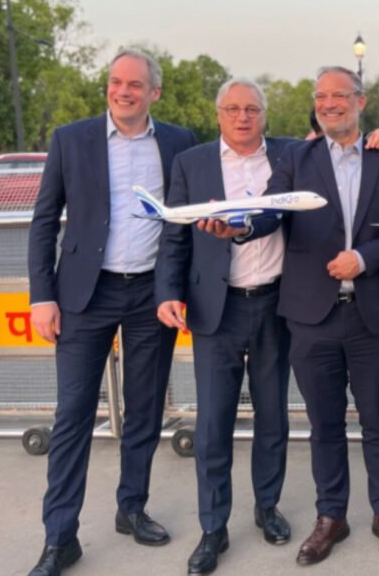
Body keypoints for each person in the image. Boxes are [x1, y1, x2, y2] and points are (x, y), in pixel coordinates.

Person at [26, 49, 196, 576]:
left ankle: (132, 508)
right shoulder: (70, 139)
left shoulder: (179, 142)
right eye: (116, 82)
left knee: (145, 410)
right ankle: (60, 538)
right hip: (84, 295)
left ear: (154, 93)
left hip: (151, 295)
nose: (123, 91)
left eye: (135, 84)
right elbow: (44, 220)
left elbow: (190, 214)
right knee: (73, 414)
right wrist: (42, 296)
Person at [242, 66, 379, 566]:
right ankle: (331, 516)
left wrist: (364, 258)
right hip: (310, 315)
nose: (329, 103)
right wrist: (239, 226)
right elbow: (271, 211)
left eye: (339, 95)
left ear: (360, 102)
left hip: (372, 312)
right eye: (321, 96)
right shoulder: (296, 158)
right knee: (324, 424)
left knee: (378, 420)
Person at [154, 78, 296, 575]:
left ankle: (267, 507)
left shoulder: (290, 155)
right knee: (213, 424)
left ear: (264, 114)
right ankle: (213, 527)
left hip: (276, 303)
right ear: (218, 114)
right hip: (217, 308)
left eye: (251, 109)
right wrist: (167, 292)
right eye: (232, 109)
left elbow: (342, 143)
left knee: (273, 416)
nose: (242, 117)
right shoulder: (190, 164)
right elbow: (174, 236)